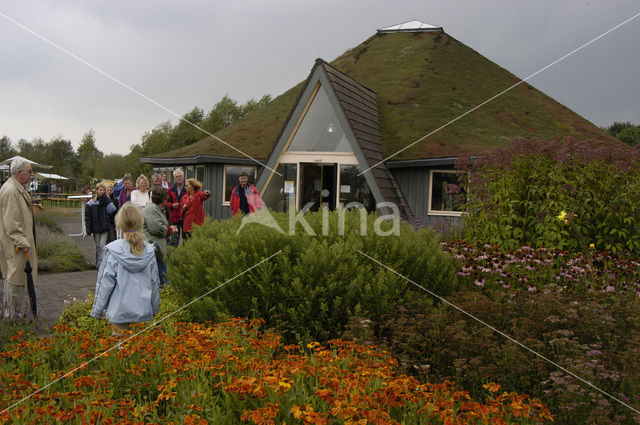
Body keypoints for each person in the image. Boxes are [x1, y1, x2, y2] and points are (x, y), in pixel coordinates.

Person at [90, 203, 160, 336]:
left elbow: (104, 284)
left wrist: (97, 311)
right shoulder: (149, 250)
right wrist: (155, 308)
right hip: (143, 312)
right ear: (140, 222)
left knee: (121, 352)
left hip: (119, 312)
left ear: (119, 223)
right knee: (141, 353)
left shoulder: (112, 250)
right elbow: (154, 282)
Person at [0, 158, 41, 318]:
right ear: (18, 172)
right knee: (15, 279)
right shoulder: (10, 191)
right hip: (16, 245)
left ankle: (15, 314)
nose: (31, 175)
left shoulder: (18, 189)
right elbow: (11, 221)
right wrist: (22, 242)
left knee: (18, 278)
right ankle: (13, 316)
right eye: (29, 172)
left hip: (19, 243)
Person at [142, 187, 177, 287]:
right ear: (163, 199)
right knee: (162, 276)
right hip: (153, 248)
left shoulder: (157, 209)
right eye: (167, 197)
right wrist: (170, 230)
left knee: (161, 273)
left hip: (156, 248)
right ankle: (164, 294)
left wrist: (169, 228)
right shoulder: (151, 209)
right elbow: (156, 228)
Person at [85, 183, 117, 268]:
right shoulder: (91, 203)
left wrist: (106, 199)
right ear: (96, 191)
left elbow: (112, 210)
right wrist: (88, 229)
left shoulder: (106, 201)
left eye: (103, 190)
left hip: (104, 226)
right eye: (100, 190)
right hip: (96, 227)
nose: (102, 192)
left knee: (102, 245)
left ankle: (102, 263)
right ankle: (97, 262)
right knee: (97, 246)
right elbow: (87, 217)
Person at [169, 169, 187, 246]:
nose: (179, 178)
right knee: (174, 241)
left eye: (180, 176)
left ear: (183, 177)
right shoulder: (171, 189)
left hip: (185, 217)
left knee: (186, 240)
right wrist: (171, 205)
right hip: (174, 217)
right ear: (175, 178)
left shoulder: (188, 188)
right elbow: (166, 202)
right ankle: (173, 257)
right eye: (177, 176)